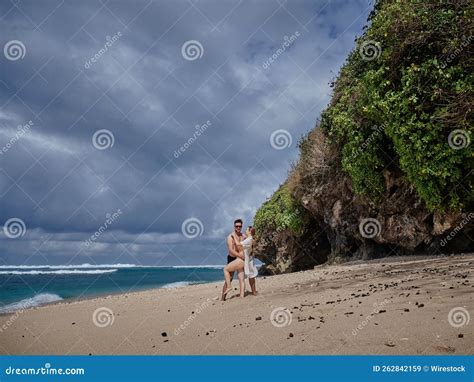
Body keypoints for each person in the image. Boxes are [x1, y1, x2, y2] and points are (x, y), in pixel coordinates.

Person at [221, 219, 245, 301]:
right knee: (229, 279)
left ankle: (242, 297)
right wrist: (241, 256)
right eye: (236, 226)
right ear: (234, 226)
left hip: (240, 258)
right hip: (232, 258)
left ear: (242, 226)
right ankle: (223, 297)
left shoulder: (243, 236)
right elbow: (231, 250)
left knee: (241, 277)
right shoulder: (230, 237)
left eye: (240, 226)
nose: (238, 227)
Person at [240, 226, 258, 295]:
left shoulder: (248, 239)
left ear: (250, 232)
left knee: (250, 276)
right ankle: (254, 291)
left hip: (247, 260)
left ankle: (252, 292)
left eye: (247, 230)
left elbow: (239, 244)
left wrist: (233, 239)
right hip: (250, 260)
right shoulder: (250, 239)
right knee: (252, 276)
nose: (245, 231)